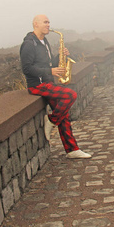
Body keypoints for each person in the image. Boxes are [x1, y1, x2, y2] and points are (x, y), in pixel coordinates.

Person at [20, 14, 91, 159]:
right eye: (45, 22)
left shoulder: (44, 41)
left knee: (63, 115)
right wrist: (50, 71)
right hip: (37, 85)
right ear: (36, 24)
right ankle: (51, 120)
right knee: (71, 95)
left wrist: (59, 57)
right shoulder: (29, 44)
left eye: (49, 22)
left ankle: (72, 150)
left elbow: (48, 64)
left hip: (47, 83)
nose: (48, 25)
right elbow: (26, 69)